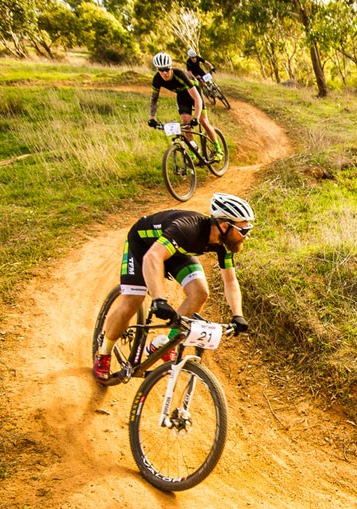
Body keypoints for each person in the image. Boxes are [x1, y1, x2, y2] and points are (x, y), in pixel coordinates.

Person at [93, 193, 254, 384]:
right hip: (144, 246)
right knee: (132, 301)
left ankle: (164, 345)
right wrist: (159, 299)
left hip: (175, 250)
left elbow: (230, 281)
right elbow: (152, 257)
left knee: (200, 293)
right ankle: (103, 353)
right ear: (225, 226)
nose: (248, 235)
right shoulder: (188, 228)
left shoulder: (225, 244)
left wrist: (238, 314)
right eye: (244, 230)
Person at [147, 52, 223, 162]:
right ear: (158, 70)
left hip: (194, 93)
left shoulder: (180, 75)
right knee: (186, 124)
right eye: (161, 70)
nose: (165, 73)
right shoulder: (157, 79)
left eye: (167, 69)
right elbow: (154, 99)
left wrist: (196, 118)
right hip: (182, 96)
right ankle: (193, 153)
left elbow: (197, 99)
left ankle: (218, 149)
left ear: (171, 67)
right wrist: (151, 118)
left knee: (203, 122)